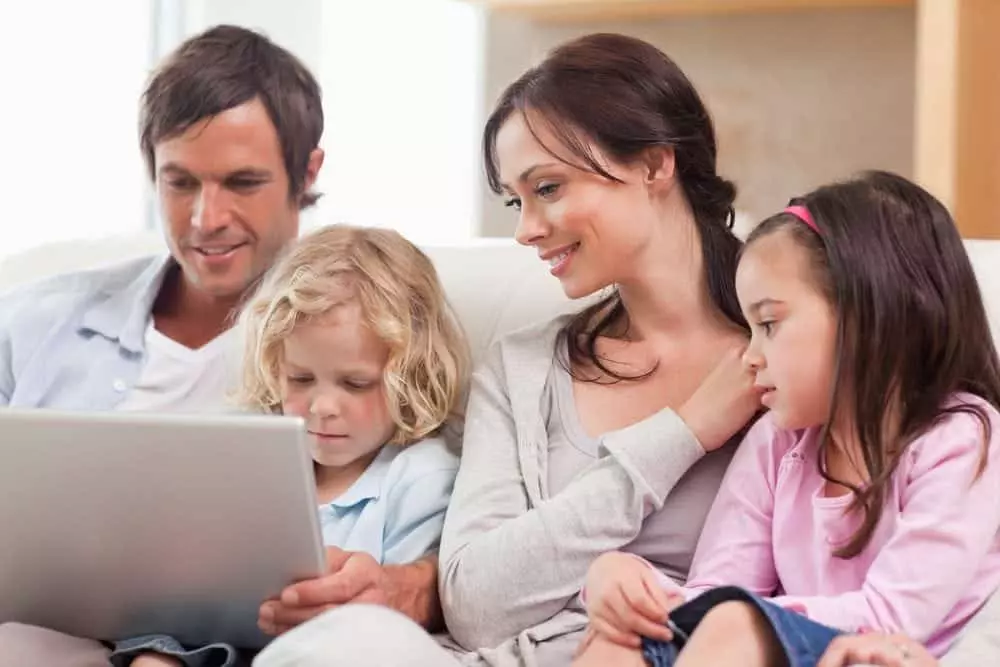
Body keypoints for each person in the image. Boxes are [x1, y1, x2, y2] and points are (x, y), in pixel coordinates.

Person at [251, 32, 762, 667]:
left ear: (656, 165)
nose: (524, 230)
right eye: (516, 200)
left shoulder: (781, 360)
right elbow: (474, 605)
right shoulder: (523, 369)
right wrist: (683, 433)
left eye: (547, 188)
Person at [0, 25, 437, 667]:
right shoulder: (36, 319)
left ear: (306, 170)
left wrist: (416, 585)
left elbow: (455, 522)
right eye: (180, 183)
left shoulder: (357, 338)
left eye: (241, 182)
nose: (207, 218)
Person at [576, 171, 1000, 667]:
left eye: (769, 324)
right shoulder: (777, 443)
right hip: (799, 646)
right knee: (620, 643)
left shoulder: (962, 437)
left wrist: (738, 616)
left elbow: (895, 615)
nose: (750, 356)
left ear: (869, 314)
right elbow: (719, 587)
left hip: (889, 653)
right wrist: (624, 583)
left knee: (736, 624)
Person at [115, 225, 469, 667]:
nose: (321, 407)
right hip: (211, 641)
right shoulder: (242, 444)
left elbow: (402, 623)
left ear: (411, 377)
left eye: (355, 383)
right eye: (300, 379)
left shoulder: (420, 478)